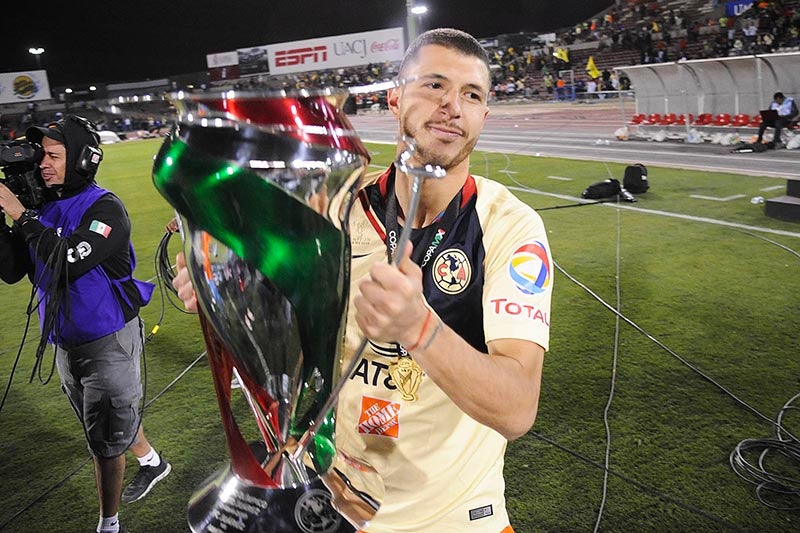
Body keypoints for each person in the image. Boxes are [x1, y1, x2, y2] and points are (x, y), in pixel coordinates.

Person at [173, 28, 552, 532]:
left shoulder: (509, 225)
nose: (452, 107)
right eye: (434, 86)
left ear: (484, 113)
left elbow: (517, 408)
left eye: (472, 95)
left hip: (457, 520)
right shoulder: (335, 210)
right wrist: (222, 289)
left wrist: (420, 329)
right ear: (394, 99)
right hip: (332, 508)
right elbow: (284, 330)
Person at [0, 115, 171, 533]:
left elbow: (66, 259)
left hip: (108, 337)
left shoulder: (104, 207)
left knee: (103, 439)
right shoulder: (42, 207)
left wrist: (21, 217)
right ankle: (153, 462)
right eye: (42, 155)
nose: (43, 164)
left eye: (54, 156)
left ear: (81, 160)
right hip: (63, 338)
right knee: (106, 422)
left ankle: (108, 524)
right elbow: (10, 270)